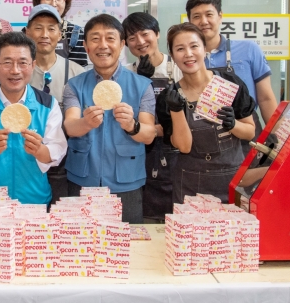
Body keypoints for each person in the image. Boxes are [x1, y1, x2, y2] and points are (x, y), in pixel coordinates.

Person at [63, 14, 157, 224]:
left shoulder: (142, 86)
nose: (102, 45)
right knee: (79, 247)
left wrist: (132, 126)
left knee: (129, 247)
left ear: (122, 44)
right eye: (95, 39)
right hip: (82, 179)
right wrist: (85, 123)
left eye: (110, 38)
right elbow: (70, 126)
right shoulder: (74, 86)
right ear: (86, 46)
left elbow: (149, 134)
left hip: (127, 182)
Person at [0, 32, 67, 204]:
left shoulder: (47, 104)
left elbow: (58, 150)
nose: (15, 70)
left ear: (33, 65)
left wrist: (39, 150)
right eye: (7, 63)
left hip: (35, 202)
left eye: (22, 63)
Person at [157, 23, 256, 204]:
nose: (188, 54)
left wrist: (233, 124)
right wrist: (176, 110)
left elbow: (250, 132)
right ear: (172, 55)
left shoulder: (230, 83)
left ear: (204, 49)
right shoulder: (168, 97)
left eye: (194, 46)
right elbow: (184, 147)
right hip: (190, 185)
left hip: (232, 180)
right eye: (180, 49)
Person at [185, 0, 278, 155]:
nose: (204, 21)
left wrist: (276, 135)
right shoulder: (188, 59)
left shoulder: (249, 50)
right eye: (197, 16)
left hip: (247, 131)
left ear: (220, 16)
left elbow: (265, 98)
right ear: (190, 21)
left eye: (209, 14)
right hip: (205, 140)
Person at [122, 12, 183, 222]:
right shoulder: (126, 73)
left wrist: (157, 130)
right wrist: (139, 82)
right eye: (131, 38)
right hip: (140, 151)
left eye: (144, 34)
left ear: (156, 34)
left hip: (174, 150)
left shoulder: (177, 68)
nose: (139, 42)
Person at [24, 4, 85, 204]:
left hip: (67, 167)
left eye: (51, 28)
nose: (45, 34)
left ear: (60, 34)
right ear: (27, 32)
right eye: (38, 27)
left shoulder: (77, 73)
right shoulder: (17, 74)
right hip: (26, 163)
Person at [31, 0, 88, 67]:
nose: (53, 4)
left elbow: (78, 72)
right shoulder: (26, 31)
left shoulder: (75, 32)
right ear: (38, 1)